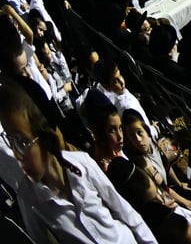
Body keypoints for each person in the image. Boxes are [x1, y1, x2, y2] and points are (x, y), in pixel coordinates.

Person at [0, 82, 158, 244]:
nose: (17, 153)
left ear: (43, 135)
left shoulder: (82, 163)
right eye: (11, 141)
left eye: (22, 141)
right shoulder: (30, 200)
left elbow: (126, 213)